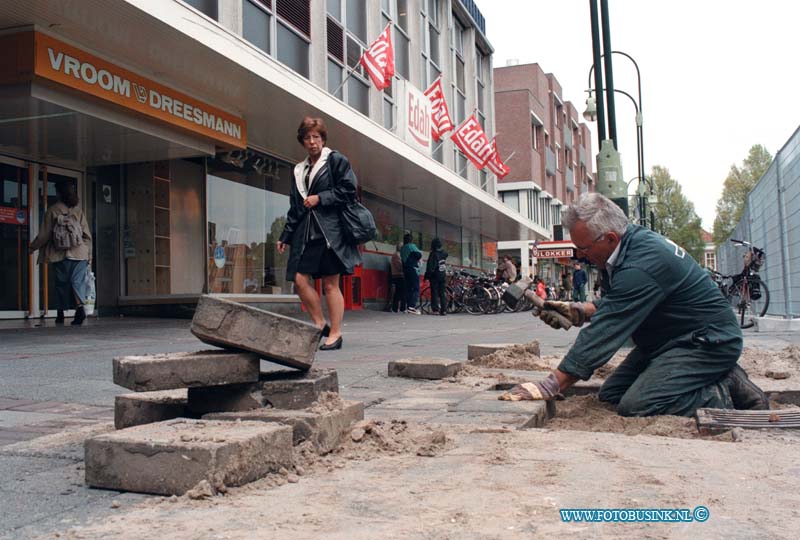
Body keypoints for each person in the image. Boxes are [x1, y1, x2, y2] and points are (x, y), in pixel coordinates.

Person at [501, 192, 768, 417]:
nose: (580, 256)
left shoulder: (643, 262)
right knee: (612, 395)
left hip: (706, 343)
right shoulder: (627, 249)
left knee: (639, 404)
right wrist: (580, 311)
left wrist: (552, 384)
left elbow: (606, 331)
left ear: (610, 239)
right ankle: (712, 378)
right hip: (669, 341)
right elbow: (624, 302)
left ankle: (724, 390)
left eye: (583, 248)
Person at [277, 116, 361, 351]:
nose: (312, 142)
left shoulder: (335, 161)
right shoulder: (299, 170)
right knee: (300, 279)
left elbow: (348, 190)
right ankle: (319, 322)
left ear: (323, 139)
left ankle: (335, 333)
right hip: (306, 234)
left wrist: (320, 198)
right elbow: (295, 206)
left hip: (330, 234)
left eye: (316, 137)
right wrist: (285, 235)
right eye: (307, 138)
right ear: (302, 141)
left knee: (330, 285)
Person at [29, 181, 92, 325]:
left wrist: (32, 247)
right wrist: (89, 255)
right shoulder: (78, 211)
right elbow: (87, 236)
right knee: (77, 282)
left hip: (60, 254)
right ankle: (80, 309)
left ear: (58, 193)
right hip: (80, 254)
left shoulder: (52, 210)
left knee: (61, 284)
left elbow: (44, 235)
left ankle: (60, 313)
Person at [424, 237, 449, 316]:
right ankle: (444, 310)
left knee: (434, 292)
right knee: (442, 293)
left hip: (435, 276)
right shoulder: (444, 253)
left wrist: (427, 275)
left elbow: (430, 267)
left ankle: (435, 309)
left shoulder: (433, 254)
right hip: (443, 275)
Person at [400, 232, 422, 314]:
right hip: (413, 269)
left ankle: (406, 306)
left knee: (408, 288)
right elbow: (419, 254)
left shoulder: (402, 249)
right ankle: (412, 306)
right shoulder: (412, 246)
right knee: (416, 288)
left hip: (405, 270)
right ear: (411, 240)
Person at [389, 244, 405, 313]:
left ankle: (396, 308)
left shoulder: (397, 255)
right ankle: (395, 308)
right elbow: (400, 266)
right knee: (398, 292)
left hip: (398, 275)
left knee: (399, 292)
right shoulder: (397, 255)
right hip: (397, 275)